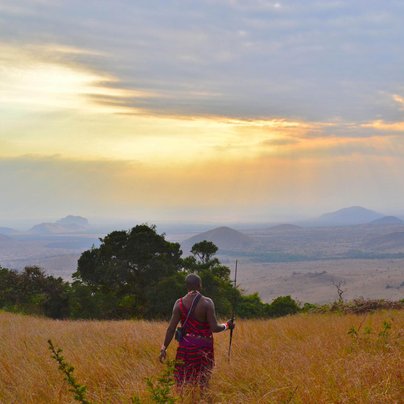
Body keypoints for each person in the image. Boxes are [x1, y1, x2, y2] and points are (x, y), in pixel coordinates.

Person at [159, 273, 235, 389]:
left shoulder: (178, 304)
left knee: (183, 380)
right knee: (203, 380)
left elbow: (171, 329)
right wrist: (227, 325)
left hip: (186, 346)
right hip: (204, 346)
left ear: (186, 286)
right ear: (199, 286)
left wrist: (164, 348)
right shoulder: (207, 302)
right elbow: (214, 328)